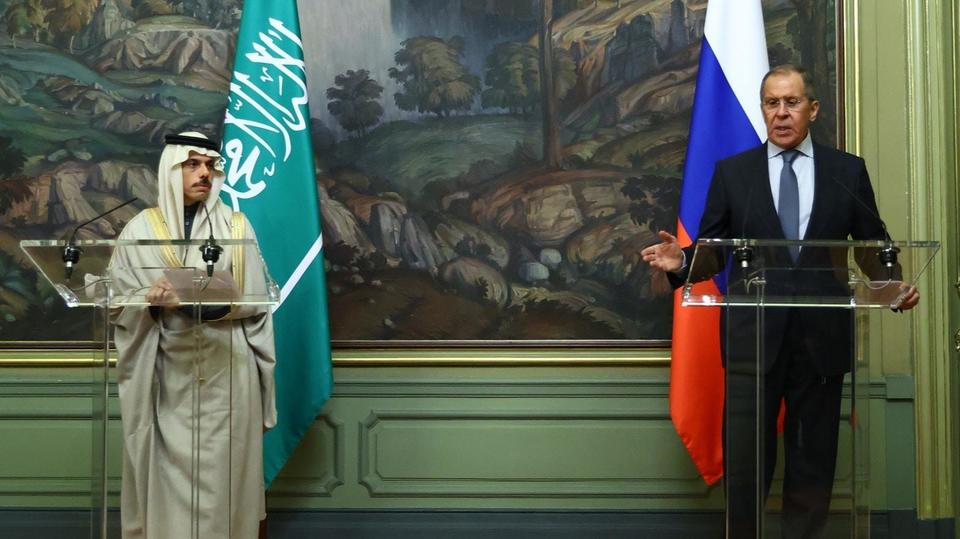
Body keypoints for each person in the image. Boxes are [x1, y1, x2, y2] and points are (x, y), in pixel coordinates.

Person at [641, 65, 919, 538]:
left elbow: (873, 246)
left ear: (813, 109)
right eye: (772, 103)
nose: (782, 113)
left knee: (813, 465)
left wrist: (891, 286)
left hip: (821, 342)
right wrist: (682, 261)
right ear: (763, 109)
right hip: (752, 343)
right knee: (747, 465)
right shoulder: (734, 173)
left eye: (792, 102)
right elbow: (714, 251)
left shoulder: (847, 171)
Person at [110, 131, 276, 538]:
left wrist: (199, 302)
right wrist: (150, 300)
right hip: (165, 375)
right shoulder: (139, 229)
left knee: (224, 476)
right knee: (166, 477)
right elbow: (117, 301)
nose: (204, 173)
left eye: (210, 166)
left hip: (226, 370)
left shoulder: (235, 226)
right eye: (193, 164)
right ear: (171, 169)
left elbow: (256, 298)